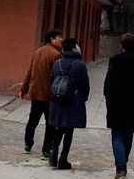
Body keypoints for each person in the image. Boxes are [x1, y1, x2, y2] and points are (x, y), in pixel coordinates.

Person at [103, 33, 134, 179]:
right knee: (128, 134)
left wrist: (108, 99)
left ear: (121, 45)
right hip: (132, 103)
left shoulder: (115, 60)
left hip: (116, 103)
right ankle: (123, 160)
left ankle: (121, 168)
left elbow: (108, 84)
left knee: (116, 135)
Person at [47, 37, 90, 170]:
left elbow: (51, 81)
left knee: (58, 129)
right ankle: (63, 159)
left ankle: (53, 155)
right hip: (73, 102)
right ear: (74, 48)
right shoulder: (80, 65)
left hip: (58, 101)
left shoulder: (57, 63)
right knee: (69, 131)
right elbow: (85, 86)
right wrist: (83, 99)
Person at [20, 29, 63, 161]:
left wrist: (24, 88)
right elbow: (57, 77)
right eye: (59, 37)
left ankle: (28, 144)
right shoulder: (56, 55)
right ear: (52, 39)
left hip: (36, 92)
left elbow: (29, 71)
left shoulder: (37, 52)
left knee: (33, 120)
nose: (61, 39)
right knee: (50, 123)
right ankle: (46, 150)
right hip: (49, 95)